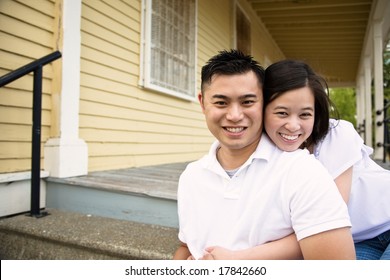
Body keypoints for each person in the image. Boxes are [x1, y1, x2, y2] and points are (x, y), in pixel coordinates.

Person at [173, 50, 355, 260]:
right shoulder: (191, 176)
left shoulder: (302, 171)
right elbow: (186, 247)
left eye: (247, 102)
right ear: (203, 103)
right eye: (221, 102)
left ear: (263, 103)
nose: (234, 116)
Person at [262, 59, 390, 260]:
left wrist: (241, 257)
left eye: (305, 114)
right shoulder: (265, 153)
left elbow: (327, 220)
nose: (293, 125)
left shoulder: (337, 134)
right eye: (282, 113)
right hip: (359, 239)